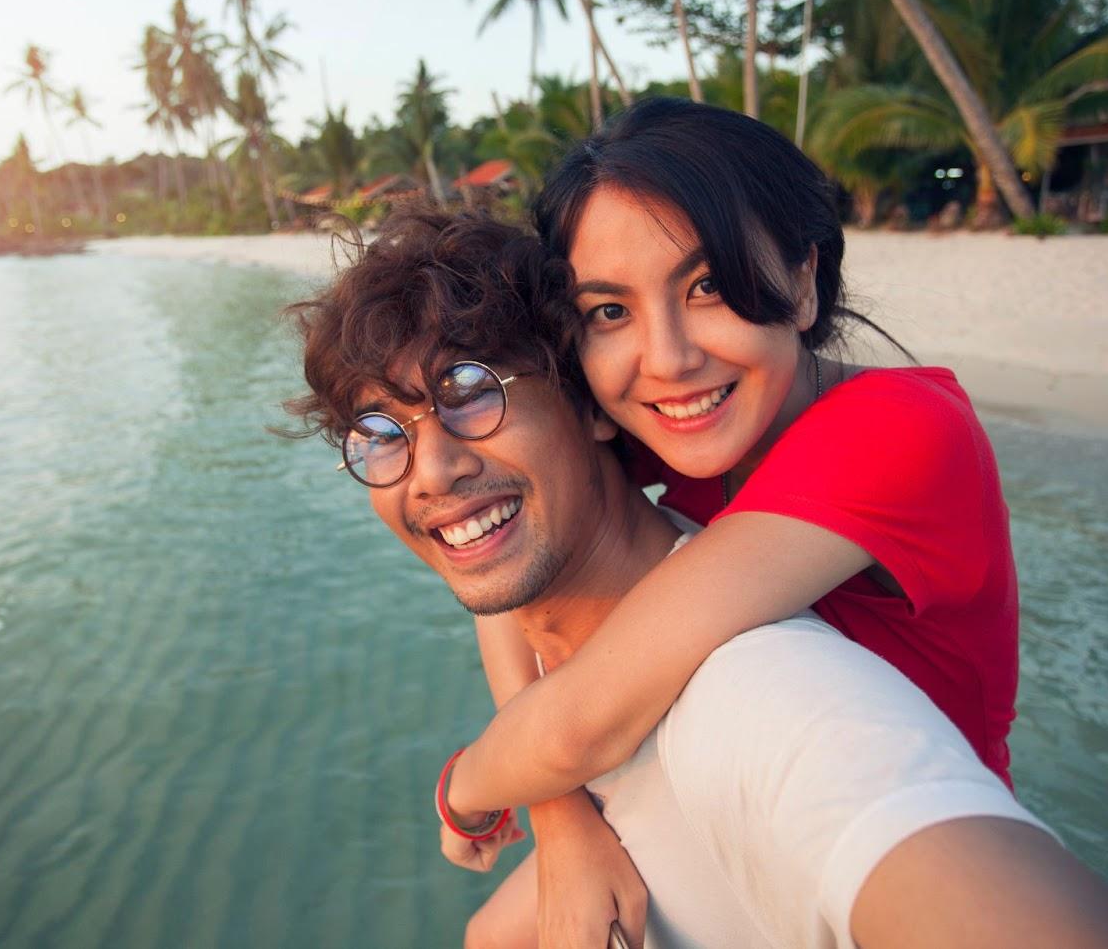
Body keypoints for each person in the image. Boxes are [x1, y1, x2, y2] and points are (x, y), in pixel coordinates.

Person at [284, 209, 1108, 949]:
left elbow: (869, 791)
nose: (429, 472)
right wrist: (555, 813)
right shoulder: (642, 501)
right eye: (377, 434)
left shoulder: (768, 695)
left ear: (591, 408)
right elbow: (515, 617)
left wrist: (466, 795)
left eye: (470, 391)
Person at [440, 98, 1029, 940]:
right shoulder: (685, 426)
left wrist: (462, 794)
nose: (670, 358)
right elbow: (512, 567)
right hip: (712, 777)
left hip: (886, 845)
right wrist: (561, 820)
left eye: (708, 286)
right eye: (611, 311)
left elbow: (585, 717)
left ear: (801, 282)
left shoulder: (900, 432)